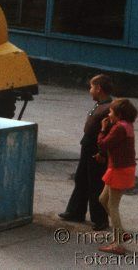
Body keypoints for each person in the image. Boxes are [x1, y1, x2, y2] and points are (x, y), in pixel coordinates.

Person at [58, 74, 113, 230]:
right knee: (81, 179)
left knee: (95, 184)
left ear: (98, 88)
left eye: (91, 87)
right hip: (87, 146)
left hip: (96, 150)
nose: (90, 90)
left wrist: (102, 153)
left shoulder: (109, 108)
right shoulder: (99, 104)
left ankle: (100, 219)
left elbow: (109, 134)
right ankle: (76, 211)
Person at [97, 98, 138, 255]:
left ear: (119, 114)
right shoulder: (126, 125)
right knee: (103, 199)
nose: (109, 114)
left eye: (111, 112)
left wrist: (102, 129)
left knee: (113, 205)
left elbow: (103, 144)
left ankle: (118, 244)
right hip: (121, 168)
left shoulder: (119, 128)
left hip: (119, 169)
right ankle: (120, 232)